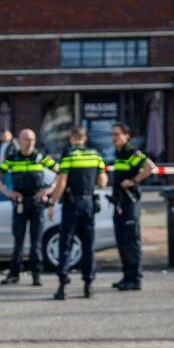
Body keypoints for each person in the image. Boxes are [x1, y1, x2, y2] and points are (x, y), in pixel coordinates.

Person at [0, 129, 59, 287]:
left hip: (36, 204)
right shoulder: (13, 159)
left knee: (36, 242)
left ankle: (36, 275)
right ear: (19, 140)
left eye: (32, 139)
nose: (30, 143)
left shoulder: (40, 158)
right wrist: (8, 192)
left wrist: (48, 190)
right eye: (26, 139)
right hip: (20, 203)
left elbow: (61, 172)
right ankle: (14, 275)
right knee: (18, 241)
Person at [48, 126, 107, 300]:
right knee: (88, 245)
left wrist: (52, 202)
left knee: (65, 244)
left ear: (72, 138)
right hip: (88, 202)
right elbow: (103, 182)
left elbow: (62, 182)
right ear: (84, 138)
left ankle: (62, 286)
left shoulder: (69, 155)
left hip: (71, 204)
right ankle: (88, 285)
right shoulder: (95, 155)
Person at [110, 122, 156, 291]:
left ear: (126, 135)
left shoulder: (131, 152)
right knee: (122, 242)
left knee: (131, 241)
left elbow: (149, 166)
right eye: (112, 134)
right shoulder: (119, 153)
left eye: (117, 134)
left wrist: (134, 181)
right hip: (119, 203)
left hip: (130, 203)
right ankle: (127, 276)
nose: (114, 138)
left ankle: (135, 278)